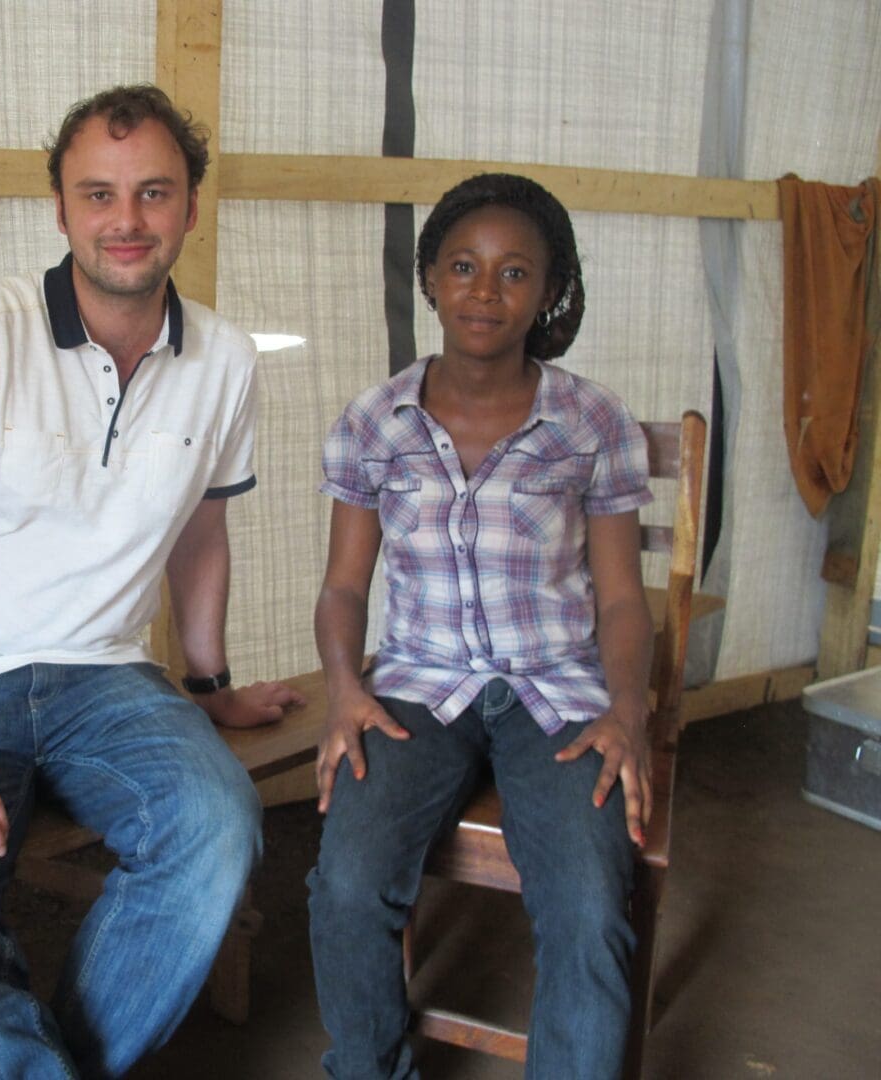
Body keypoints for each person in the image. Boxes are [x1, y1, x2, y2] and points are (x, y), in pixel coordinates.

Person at [0, 83, 301, 1080]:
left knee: (217, 827)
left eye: (153, 192)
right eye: (98, 194)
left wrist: (212, 687)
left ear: (190, 206)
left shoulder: (224, 358)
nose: (125, 219)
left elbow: (201, 533)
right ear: (60, 209)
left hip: (105, 676)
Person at [308, 173, 654, 1080]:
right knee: (346, 883)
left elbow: (622, 599)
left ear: (550, 290)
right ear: (430, 278)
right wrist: (343, 691)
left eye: (514, 272)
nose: (485, 291)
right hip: (416, 686)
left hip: (559, 692)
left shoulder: (592, 420)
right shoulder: (375, 421)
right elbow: (343, 588)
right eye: (463, 266)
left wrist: (628, 713)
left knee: (589, 904)